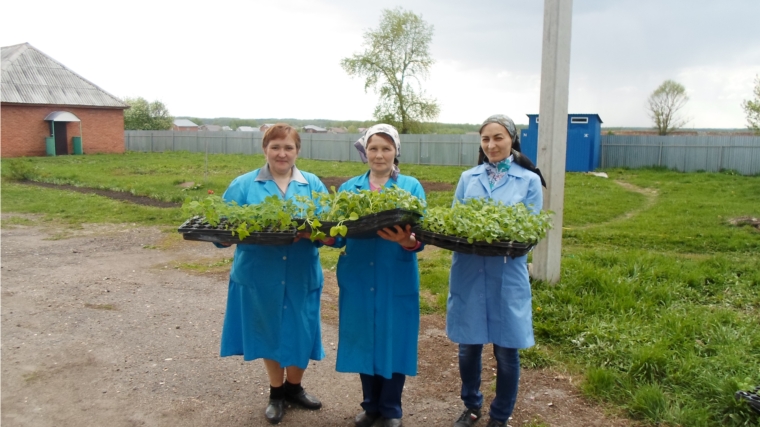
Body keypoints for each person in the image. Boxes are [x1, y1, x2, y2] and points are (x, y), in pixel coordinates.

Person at [216, 124, 329, 424]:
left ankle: (295, 388)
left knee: (302, 331)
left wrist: (317, 234)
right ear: (265, 149)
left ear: (298, 151)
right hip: (259, 274)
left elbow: (331, 230)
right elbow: (219, 229)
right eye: (275, 146)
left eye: (288, 147)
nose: (282, 153)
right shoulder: (243, 185)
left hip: (300, 273)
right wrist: (225, 236)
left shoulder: (313, 185)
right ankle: (276, 392)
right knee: (269, 331)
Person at [447, 114, 545, 427]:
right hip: (470, 272)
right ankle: (472, 406)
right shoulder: (468, 178)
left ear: (512, 140)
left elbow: (530, 230)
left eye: (498, 137)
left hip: (507, 275)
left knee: (506, 352)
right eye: (486, 139)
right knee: (468, 349)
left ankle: (500, 415)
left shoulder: (529, 180)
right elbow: (454, 221)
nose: (491, 145)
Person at [331, 124, 426, 427]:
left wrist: (406, 241)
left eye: (386, 148)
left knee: (394, 339)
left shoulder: (410, 187)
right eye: (373, 148)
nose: (379, 154)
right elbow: (339, 235)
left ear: (396, 151)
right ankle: (370, 406)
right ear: (365, 151)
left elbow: (419, 237)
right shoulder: (349, 189)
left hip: (394, 275)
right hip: (357, 275)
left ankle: (391, 408)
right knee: (363, 339)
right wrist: (322, 235)